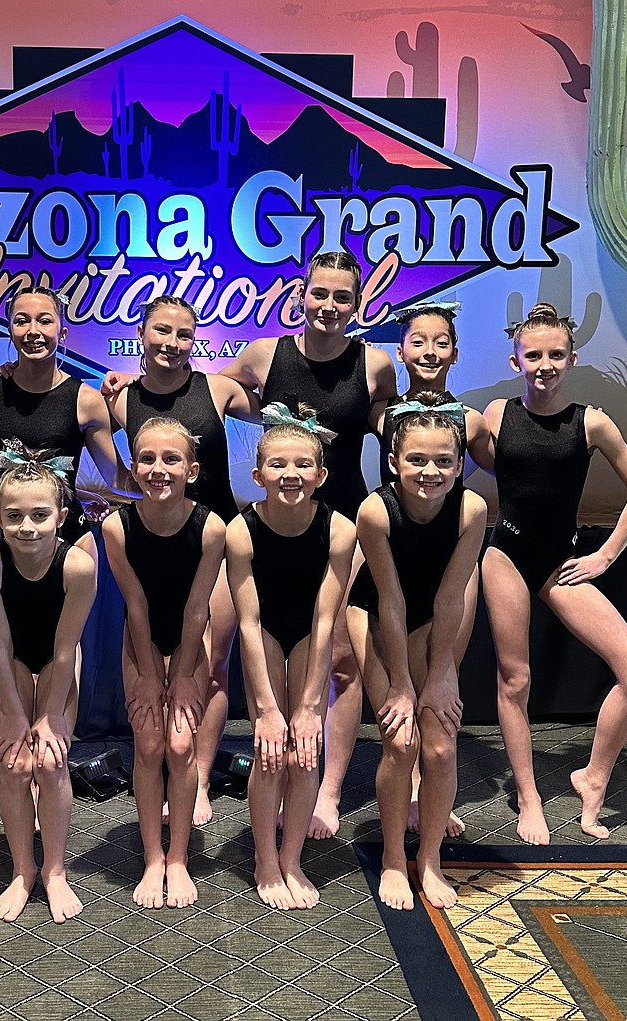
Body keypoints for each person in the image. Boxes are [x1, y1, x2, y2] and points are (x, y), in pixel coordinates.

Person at [221, 251, 397, 840]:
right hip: (275, 526)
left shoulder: (375, 364)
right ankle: (270, 767)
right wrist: (133, 383)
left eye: (341, 297)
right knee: (269, 652)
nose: (329, 307)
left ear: (358, 303)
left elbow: (388, 419)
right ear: (302, 296)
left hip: (341, 525)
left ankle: (325, 790)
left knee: (342, 662)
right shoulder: (263, 355)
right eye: (319, 294)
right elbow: (206, 391)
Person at [483, 303, 627, 844]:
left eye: (555, 355)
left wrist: (604, 557)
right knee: (517, 680)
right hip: (506, 556)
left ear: (572, 359)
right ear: (516, 359)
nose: (544, 364)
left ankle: (593, 776)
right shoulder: (494, 414)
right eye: (533, 355)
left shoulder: (592, 421)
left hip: (562, 562)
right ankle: (529, 797)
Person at [104, 294, 259, 825]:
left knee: (209, 666)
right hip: (152, 541)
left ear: (196, 341)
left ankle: (195, 775)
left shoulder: (219, 389)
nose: (171, 343)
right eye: (161, 332)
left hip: (213, 539)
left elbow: (288, 415)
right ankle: (163, 763)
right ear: (141, 335)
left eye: (183, 335)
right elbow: (117, 469)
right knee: (156, 662)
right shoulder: (119, 399)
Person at [347, 400, 486, 910]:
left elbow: (451, 597)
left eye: (444, 461)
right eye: (418, 461)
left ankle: (428, 860)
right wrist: (404, 685)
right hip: (376, 616)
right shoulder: (375, 511)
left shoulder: (471, 510)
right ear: (394, 463)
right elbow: (390, 600)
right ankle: (390, 859)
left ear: (459, 463)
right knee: (401, 742)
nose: (431, 472)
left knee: (443, 747)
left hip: (433, 621)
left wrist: (442, 673)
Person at [225, 409, 356, 909]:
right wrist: (266, 709)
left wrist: (307, 707)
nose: (291, 475)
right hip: (264, 634)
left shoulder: (339, 530)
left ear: (321, 475)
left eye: (303, 465)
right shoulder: (241, 531)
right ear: (259, 476)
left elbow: (324, 621)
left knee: (305, 749)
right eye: (278, 465)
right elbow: (249, 622)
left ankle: (292, 858)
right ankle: (263, 859)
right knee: (270, 748)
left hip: (308, 633)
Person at [376, 302, 492, 837]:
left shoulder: (469, 423)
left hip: (445, 571)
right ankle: (332, 793)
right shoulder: (381, 414)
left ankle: (429, 793)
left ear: (454, 351)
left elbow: (514, 462)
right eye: (417, 342)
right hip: (390, 565)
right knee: (379, 689)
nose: (428, 352)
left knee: (438, 684)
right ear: (400, 350)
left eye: (440, 342)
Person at [103, 417, 227, 908]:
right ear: (133, 469)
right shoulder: (117, 526)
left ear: (192, 470)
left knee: (181, 746)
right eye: (148, 460)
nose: (159, 469)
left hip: (192, 637)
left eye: (171, 459)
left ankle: (179, 859)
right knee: (151, 743)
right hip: (143, 638)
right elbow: (135, 603)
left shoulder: (210, 526)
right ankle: (154, 857)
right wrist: (153, 674)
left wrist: (183, 675)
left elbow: (199, 607)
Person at [0, 453, 98, 923]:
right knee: (13, 762)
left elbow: (65, 652)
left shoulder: (78, 567)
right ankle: (23, 870)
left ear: (61, 518)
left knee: (50, 760)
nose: (27, 527)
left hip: (58, 660)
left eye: (40, 515)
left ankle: (55, 869)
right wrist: (17, 717)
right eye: (14, 516)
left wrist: (47, 719)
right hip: (12, 662)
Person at [0, 285, 136, 562]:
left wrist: (174, 489)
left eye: (44, 320)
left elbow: (118, 479)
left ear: (62, 334)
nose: (33, 330)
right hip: (11, 537)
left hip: (72, 540)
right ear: (10, 331)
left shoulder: (86, 400)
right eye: (21, 321)